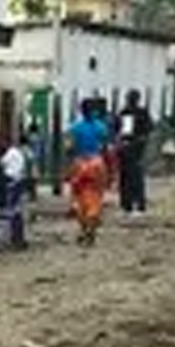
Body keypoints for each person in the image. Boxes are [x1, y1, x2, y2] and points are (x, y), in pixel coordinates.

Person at [66, 95, 114, 247]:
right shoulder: (101, 127)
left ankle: (84, 228)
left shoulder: (75, 128)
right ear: (93, 111)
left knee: (80, 198)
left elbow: (69, 148)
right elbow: (106, 148)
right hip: (96, 164)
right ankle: (91, 228)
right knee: (95, 197)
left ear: (81, 110)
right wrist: (111, 169)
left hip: (80, 164)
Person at [116, 91, 156, 216]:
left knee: (131, 176)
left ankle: (134, 204)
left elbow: (147, 129)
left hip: (132, 148)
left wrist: (139, 139)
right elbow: (120, 130)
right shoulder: (127, 112)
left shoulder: (134, 113)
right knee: (130, 177)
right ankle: (130, 204)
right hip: (129, 147)